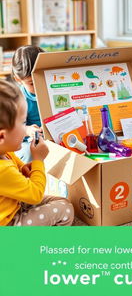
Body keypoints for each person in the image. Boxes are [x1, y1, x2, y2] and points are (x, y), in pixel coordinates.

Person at [0, 80, 74, 226]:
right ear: (2, 136)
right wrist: (38, 160)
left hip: (14, 205)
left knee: (62, 201)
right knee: (65, 210)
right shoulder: (3, 170)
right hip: (9, 222)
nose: (25, 127)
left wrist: (25, 168)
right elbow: (35, 195)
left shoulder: (5, 152)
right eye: (22, 123)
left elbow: (17, 169)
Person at [12, 45, 44, 163]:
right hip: (27, 142)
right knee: (29, 153)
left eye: (41, 79)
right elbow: (13, 128)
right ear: (18, 80)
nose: (38, 86)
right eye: (31, 83)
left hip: (54, 138)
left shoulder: (51, 89)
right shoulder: (19, 98)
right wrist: (27, 130)